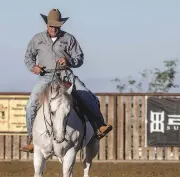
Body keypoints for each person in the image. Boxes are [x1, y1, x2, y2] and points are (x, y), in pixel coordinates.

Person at [20, 9, 112, 152]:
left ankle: (99, 126)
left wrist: (68, 60)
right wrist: (34, 67)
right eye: (51, 26)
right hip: (46, 76)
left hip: (66, 75)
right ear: (47, 25)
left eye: (56, 26)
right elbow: (28, 57)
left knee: (86, 95)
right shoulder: (37, 39)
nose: (53, 29)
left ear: (60, 26)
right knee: (31, 104)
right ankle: (32, 139)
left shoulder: (69, 39)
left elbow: (79, 58)